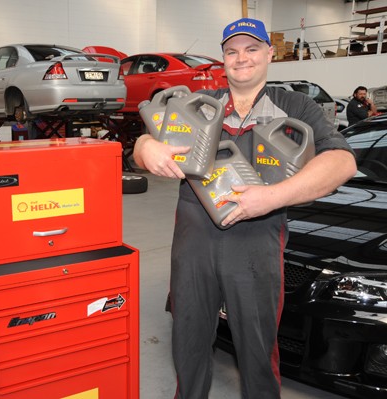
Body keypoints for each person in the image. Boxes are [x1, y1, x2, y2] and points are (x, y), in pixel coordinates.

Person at [133, 18, 356, 398]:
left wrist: (272, 197)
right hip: (193, 248)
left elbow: (342, 162)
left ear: (270, 53)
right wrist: (145, 148)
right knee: (187, 346)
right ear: (223, 59)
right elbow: (143, 144)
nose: (242, 59)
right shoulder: (198, 107)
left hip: (255, 248)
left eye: (252, 49)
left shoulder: (294, 106)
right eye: (232, 51)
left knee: (257, 353)